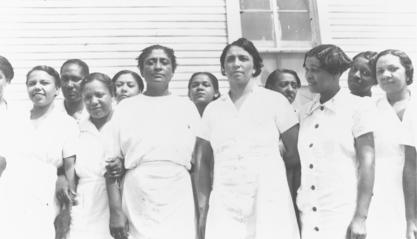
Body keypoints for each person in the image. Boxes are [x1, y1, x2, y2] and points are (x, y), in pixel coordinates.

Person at [193, 38, 301, 239]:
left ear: (255, 67)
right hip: (225, 199)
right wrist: (202, 207)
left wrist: (268, 171)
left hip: (268, 198)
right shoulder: (214, 109)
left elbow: (296, 152)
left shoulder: (274, 101)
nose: (236, 64)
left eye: (243, 58)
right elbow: (203, 161)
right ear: (223, 68)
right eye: (230, 59)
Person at [104, 44, 199, 239]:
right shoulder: (126, 108)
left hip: (178, 190)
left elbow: (198, 163)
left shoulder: (186, 107)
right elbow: (111, 164)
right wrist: (115, 212)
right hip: (138, 190)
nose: (157, 67)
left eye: (164, 62)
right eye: (150, 62)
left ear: (173, 70)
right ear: (141, 70)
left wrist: (200, 209)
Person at [297, 44, 375, 239]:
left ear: (335, 73)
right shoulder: (304, 112)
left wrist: (360, 217)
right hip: (308, 213)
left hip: (343, 213)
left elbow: (368, 164)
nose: (308, 75)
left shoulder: (358, 107)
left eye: (315, 70)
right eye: (307, 69)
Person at [0, 65, 78, 239]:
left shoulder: (67, 123)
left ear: (57, 89)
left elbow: (70, 168)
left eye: (44, 82)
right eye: (32, 83)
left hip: (45, 190)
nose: (37, 87)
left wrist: (68, 208)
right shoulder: (15, 118)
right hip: (10, 188)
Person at [366, 49, 417, 239]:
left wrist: (412, 218)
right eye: (380, 71)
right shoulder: (370, 111)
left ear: (408, 71)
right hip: (383, 197)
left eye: (393, 69)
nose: (386, 75)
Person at [64, 73, 114, 239]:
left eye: (99, 95)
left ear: (112, 93)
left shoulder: (122, 121)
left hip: (117, 197)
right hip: (85, 200)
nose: (93, 102)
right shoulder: (77, 127)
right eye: (87, 97)